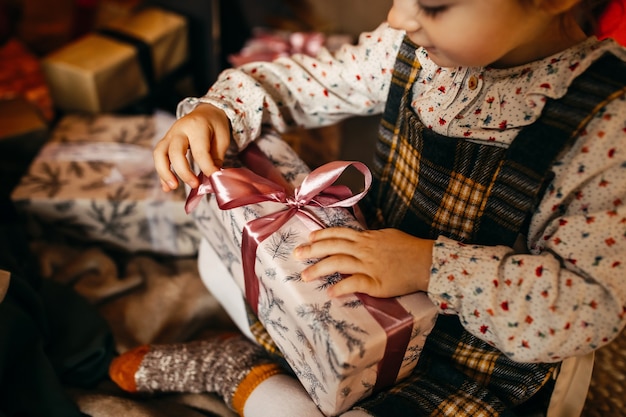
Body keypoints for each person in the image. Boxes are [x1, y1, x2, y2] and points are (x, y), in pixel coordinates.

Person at [109, 0, 626, 416]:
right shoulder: (413, 48)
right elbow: (303, 82)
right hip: (362, 289)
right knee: (214, 258)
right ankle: (297, 368)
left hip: (478, 353)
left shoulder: (604, 126)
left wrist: (426, 265)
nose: (398, 17)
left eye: (434, 4)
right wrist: (217, 110)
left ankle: (238, 373)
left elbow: (590, 307)